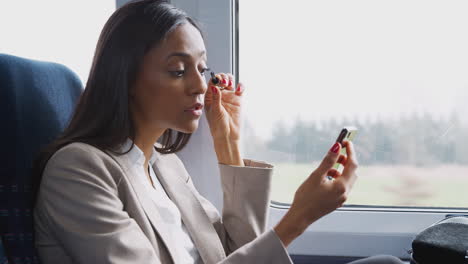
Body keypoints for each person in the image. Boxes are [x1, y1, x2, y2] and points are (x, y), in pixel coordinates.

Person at [33, 0, 404, 263]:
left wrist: (228, 144)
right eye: (178, 70)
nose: (198, 85)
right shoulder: (78, 171)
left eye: (203, 69)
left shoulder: (164, 166)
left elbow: (229, 255)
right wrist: (298, 219)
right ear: (126, 76)